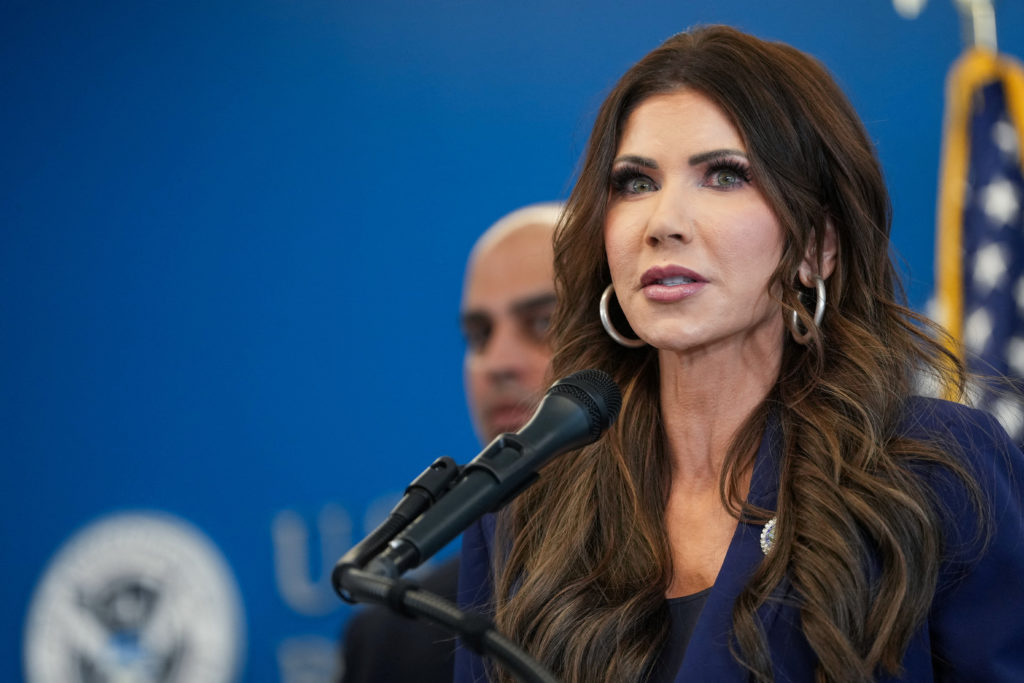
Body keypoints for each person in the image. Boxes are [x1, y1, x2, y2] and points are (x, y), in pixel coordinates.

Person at [455, 26, 1024, 683]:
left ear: (816, 246)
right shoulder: (524, 511)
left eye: (724, 176)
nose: (663, 221)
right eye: (635, 183)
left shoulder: (936, 469)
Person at [340, 202, 560, 683]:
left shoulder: (718, 585)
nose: (496, 361)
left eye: (543, 322)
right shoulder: (393, 641)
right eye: (479, 334)